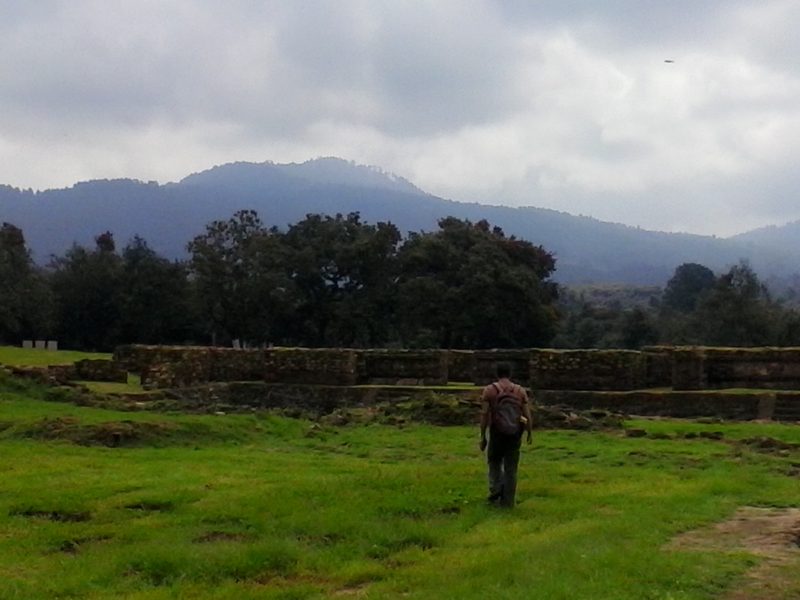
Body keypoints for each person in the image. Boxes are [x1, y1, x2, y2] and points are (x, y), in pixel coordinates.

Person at [479, 362, 533, 508]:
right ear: (510, 374)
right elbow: (527, 413)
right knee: (511, 467)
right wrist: (529, 431)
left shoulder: (490, 390)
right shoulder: (520, 391)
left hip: (497, 431)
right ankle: (508, 501)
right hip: (515, 432)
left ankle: (496, 489)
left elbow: (484, 414)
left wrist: (483, 435)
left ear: (497, 374)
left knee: (494, 461)